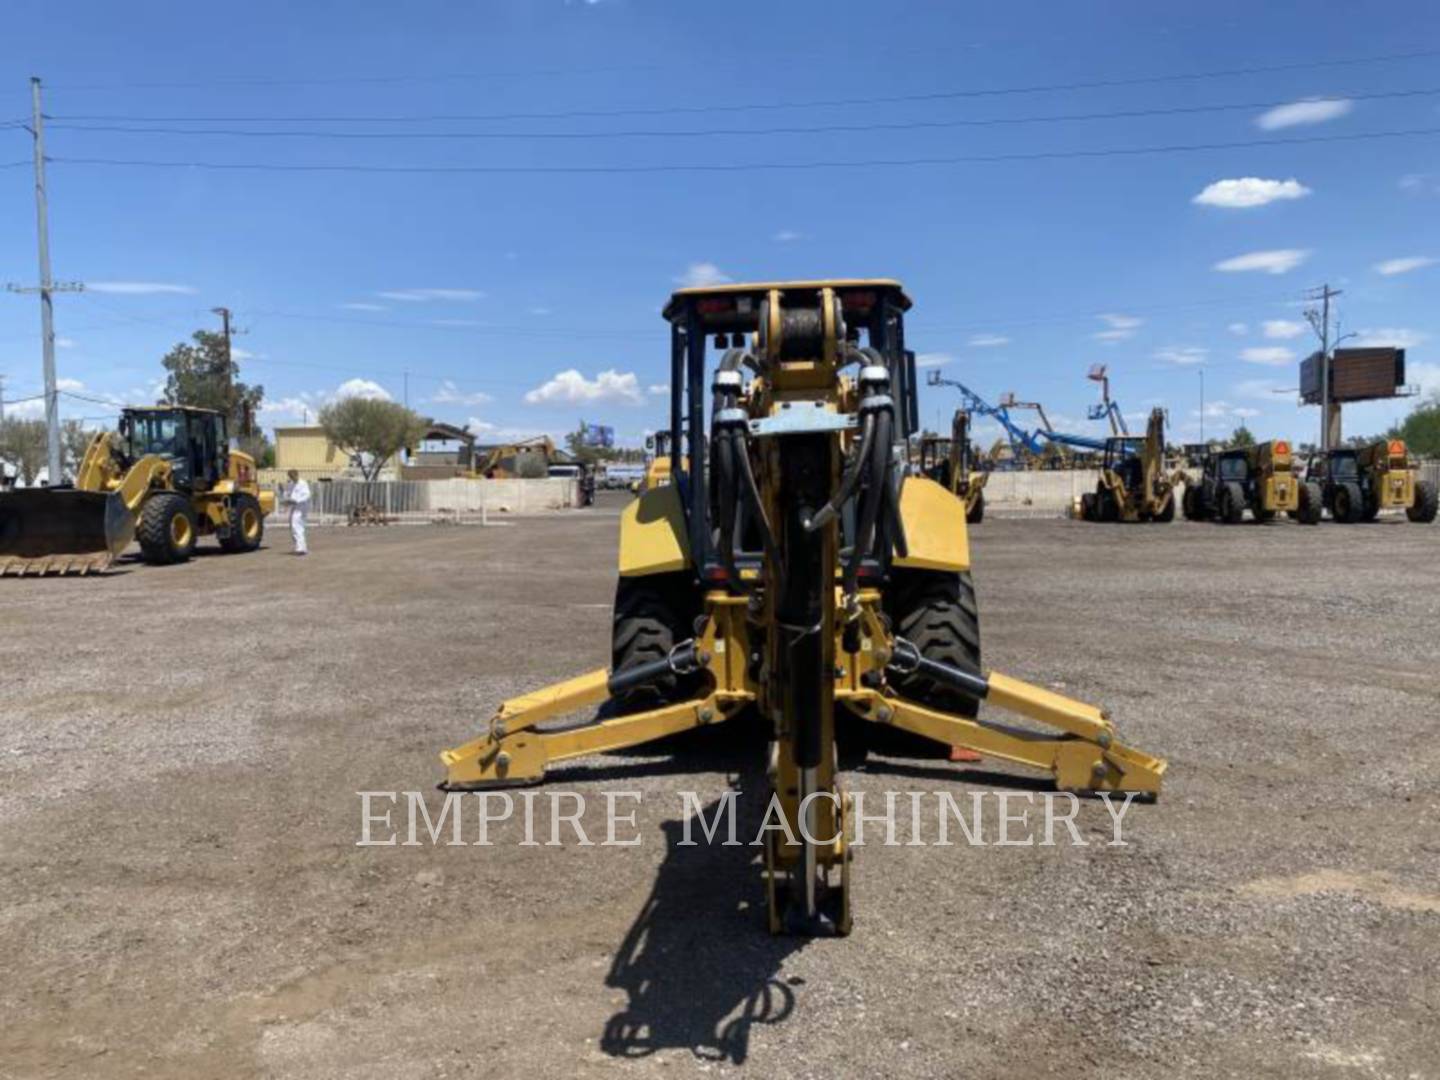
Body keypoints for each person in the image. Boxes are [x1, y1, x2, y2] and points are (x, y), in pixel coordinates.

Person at [282, 469, 311, 555]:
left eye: (292, 476)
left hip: (301, 507)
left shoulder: (303, 483)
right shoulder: (291, 484)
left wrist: (297, 500)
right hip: (294, 507)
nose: (291, 478)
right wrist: (286, 500)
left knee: (296, 525)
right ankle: (302, 547)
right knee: (296, 526)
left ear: (296, 475)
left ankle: (300, 548)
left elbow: (307, 495)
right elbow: (288, 493)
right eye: (290, 476)